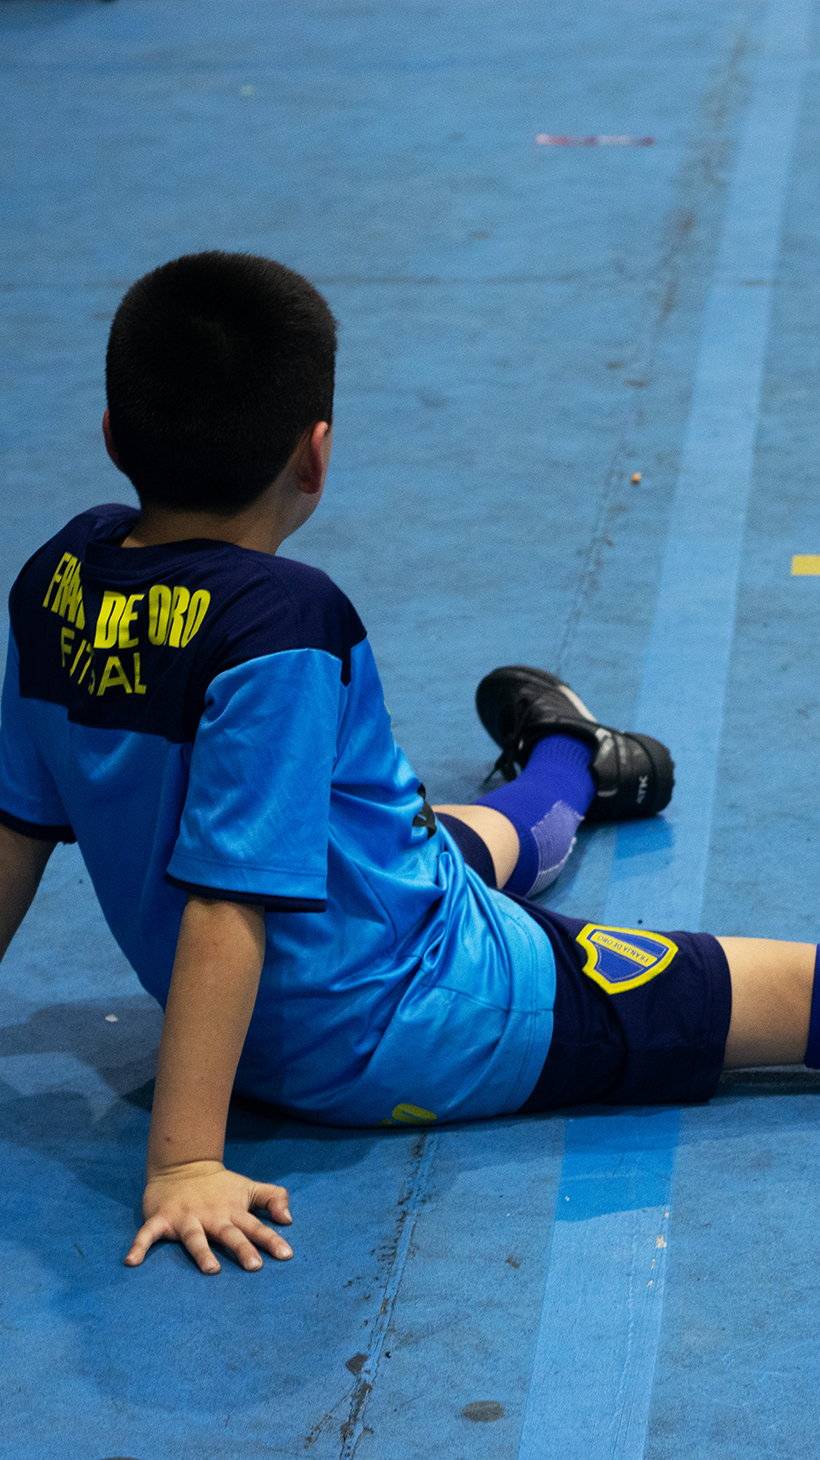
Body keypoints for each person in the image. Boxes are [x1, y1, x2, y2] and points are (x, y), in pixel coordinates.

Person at [0, 252, 816, 1278]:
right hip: (413, 1017)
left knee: (442, 839)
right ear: (316, 456)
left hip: (284, 984)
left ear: (112, 436)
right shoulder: (284, 625)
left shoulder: (55, 581)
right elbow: (225, 903)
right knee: (781, 989)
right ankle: (568, 757)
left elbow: (15, 827)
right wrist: (188, 1158)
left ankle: (569, 757)